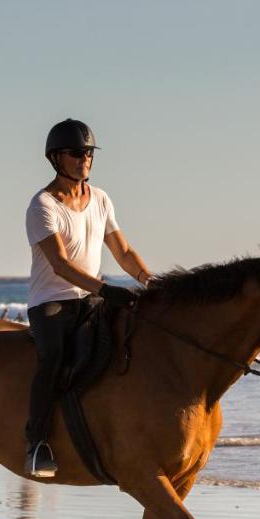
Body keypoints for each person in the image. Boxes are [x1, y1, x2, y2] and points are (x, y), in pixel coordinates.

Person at [24, 118, 154, 478]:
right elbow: (61, 265)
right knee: (52, 357)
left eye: (89, 153)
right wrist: (105, 289)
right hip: (52, 301)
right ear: (56, 158)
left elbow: (123, 250)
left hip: (92, 298)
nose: (85, 159)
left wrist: (148, 280)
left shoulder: (100, 199)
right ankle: (36, 444)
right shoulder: (42, 205)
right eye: (77, 153)